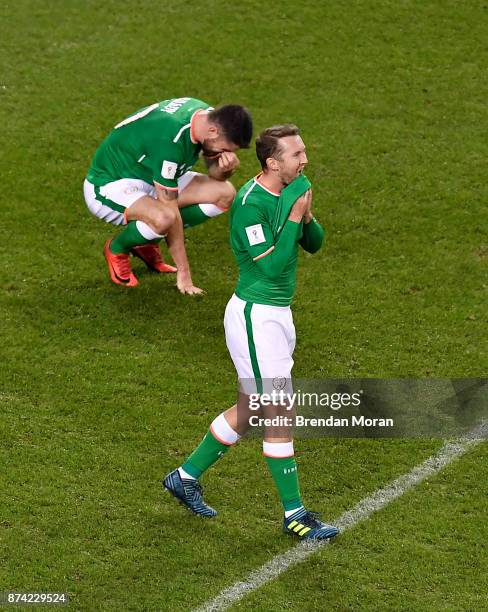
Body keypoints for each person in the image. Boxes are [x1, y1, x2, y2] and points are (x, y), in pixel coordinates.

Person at [163, 125, 339, 540]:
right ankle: (294, 513)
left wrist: (307, 218)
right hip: (255, 318)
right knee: (278, 411)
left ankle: (184, 477)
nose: (305, 160)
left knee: (254, 408)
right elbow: (272, 267)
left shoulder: (299, 185)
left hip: (279, 317)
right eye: (297, 155)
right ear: (273, 163)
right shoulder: (248, 205)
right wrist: (295, 216)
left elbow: (314, 244)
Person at [83, 97, 252, 293]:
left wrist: (227, 170)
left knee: (225, 193)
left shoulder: (207, 120)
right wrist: (184, 274)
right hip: (110, 183)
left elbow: (216, 175)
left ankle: (145, 242)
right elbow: (169, 208)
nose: (225, 153)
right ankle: (117, 248)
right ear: (213, 131)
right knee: (164, 218)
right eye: (224, 149)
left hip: (151, 174)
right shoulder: (170, 139)